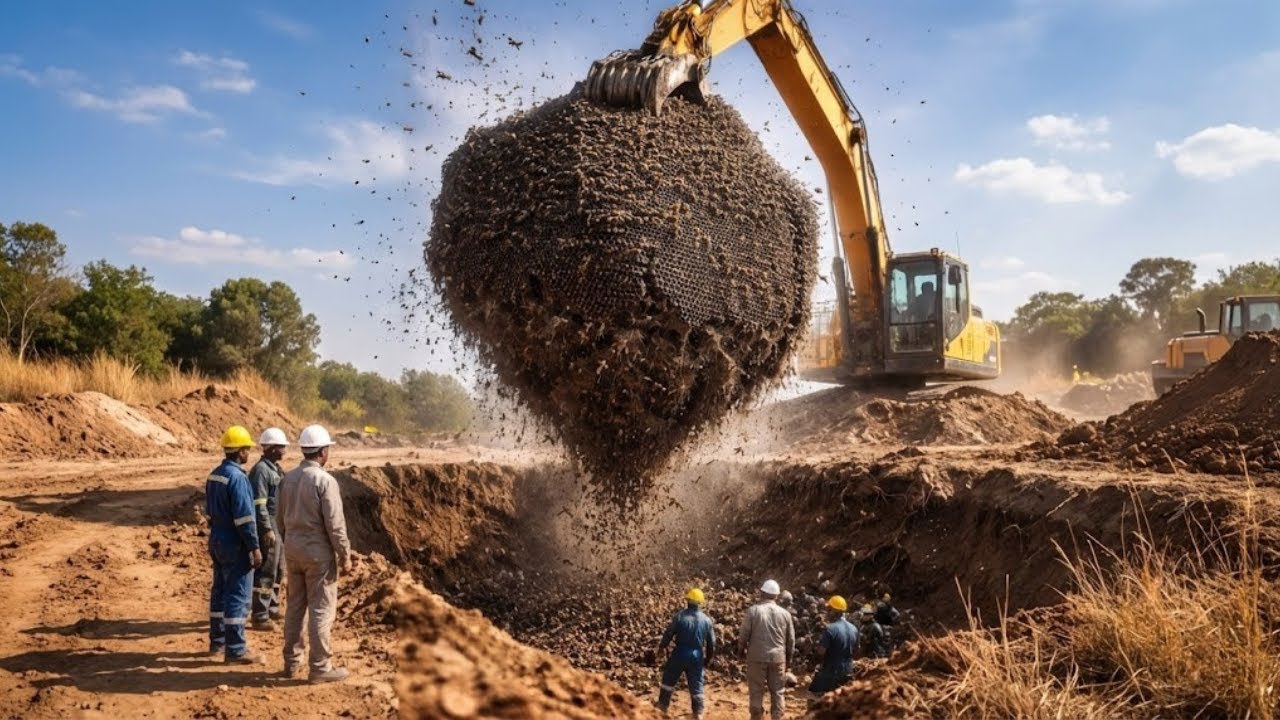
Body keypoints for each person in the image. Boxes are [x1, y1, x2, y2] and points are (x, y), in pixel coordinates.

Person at [279, 424, 353, 683]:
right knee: (321, 609)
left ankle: (291, 662)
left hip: (292, 550)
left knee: (295, 606)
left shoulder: (287, 479)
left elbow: (280, 519)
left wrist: (289, 542)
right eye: (327, 450)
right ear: (322, 452)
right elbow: (335, 524)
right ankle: (320, 667)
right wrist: (345, 554)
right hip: (317, 554)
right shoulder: (325, 481)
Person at [206, 425, 264, 664]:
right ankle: (236, 650)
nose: (249, 452)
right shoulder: (238, 478)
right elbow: (245, 518)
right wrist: (254, 546)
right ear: (239, 451)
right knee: (237, 595)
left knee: (219, 592)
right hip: (235, 541)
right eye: (247, 449)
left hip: (217, 538)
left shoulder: (215, 474)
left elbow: (209, 510)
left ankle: (217, 643)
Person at [655, 588, 716, 719]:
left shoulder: (680, 616)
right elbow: (712, 643)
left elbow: (669, 633)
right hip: (696, 655)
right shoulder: (707, 620)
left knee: (669, 679)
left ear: (687, 601)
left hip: (680, 652)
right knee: (696, 684)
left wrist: (662, 647)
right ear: (700, 603)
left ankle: (662, 707)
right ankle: (698, 713)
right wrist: (708, 659)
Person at [250, 427, 289, 630]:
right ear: (272, 448)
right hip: (269, 523)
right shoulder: (261, 471)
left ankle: (272, 608)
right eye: (281, 447)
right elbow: (259, 504)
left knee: (279, 570)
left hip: (278, 524)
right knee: (266, 571)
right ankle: (260, 615)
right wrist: (267, 529)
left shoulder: (275, 468)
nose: (284, 450)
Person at [738, 579, 795, 720]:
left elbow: (744, 635)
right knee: (778, 692)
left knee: (756, 691)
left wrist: (740, 652)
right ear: (776, 596)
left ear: (762, 593)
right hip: (778, 659)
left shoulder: (753, 611)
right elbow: (791, 640)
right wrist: (789, 659)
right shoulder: (786, 614)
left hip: (756, 657)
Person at [808, 596, 858, 696]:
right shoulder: (854, 628)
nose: (827, 612)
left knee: (813, 694)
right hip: (848, 670)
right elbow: (857, 650)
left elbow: (821, 652)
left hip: (831, 671)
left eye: (829, 609)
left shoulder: (830, 629)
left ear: (836, 611)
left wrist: (814, 656)